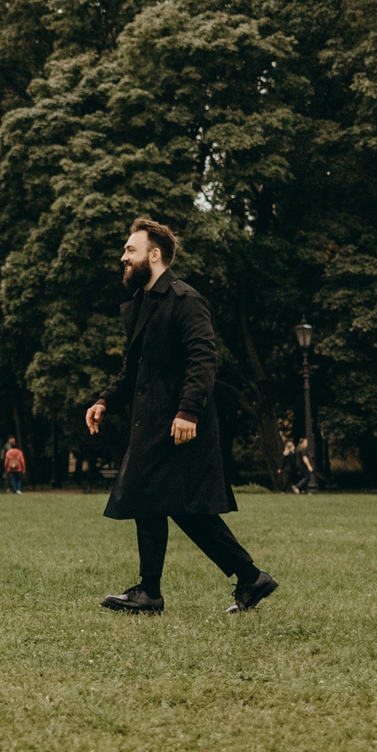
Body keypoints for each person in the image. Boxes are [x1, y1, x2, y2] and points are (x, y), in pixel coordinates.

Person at [85, 217, 278, 615]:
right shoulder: (144, 303)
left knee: (164, 503)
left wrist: (188, 410)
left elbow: (202, 358)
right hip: (155, 423)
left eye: (130, 250)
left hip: (180, 425)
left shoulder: (185, 300)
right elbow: (136, 370)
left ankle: (154, 592)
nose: (123, 257)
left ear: (154, 255)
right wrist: (105, 400)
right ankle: (246, 578)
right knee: (171, 506)